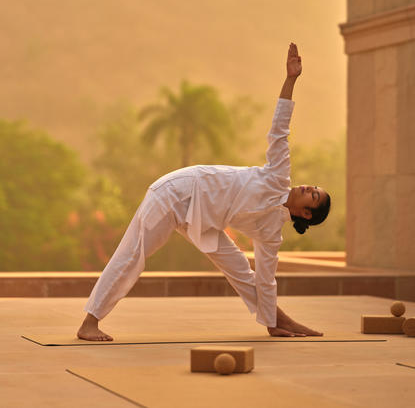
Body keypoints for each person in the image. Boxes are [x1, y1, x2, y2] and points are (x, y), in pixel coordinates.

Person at [77, 43, 331, 341]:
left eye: (312, 195)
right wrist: (291, 79)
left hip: (202, 221)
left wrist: (270, 312)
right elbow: (279, 129)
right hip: (177, 193)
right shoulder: (278, 175)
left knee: (242, 271)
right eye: (313, 187)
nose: (307, 187)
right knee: (134, 252)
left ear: (304, 213)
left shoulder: (271, 232)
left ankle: (276, 322)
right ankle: (89, 323)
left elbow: (266, 280)